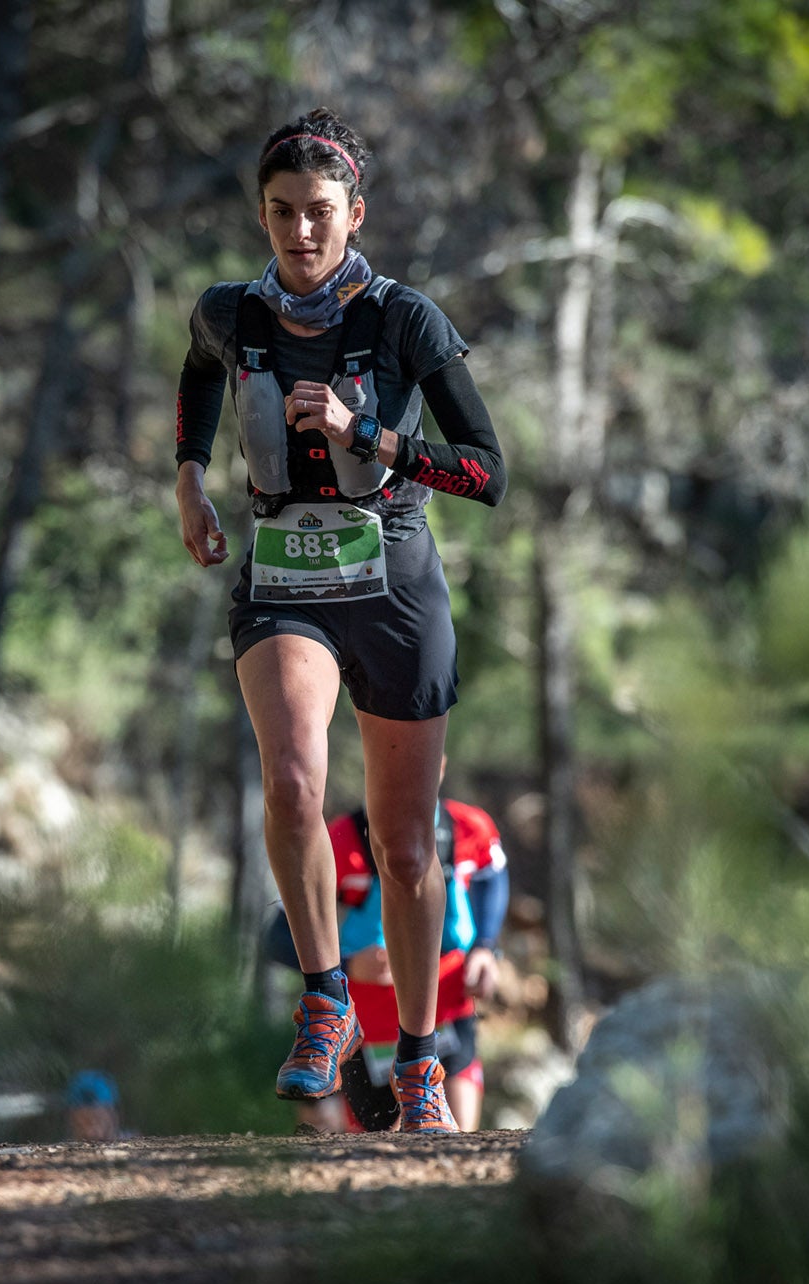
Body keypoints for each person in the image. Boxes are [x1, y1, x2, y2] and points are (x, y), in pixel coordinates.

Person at [175, 109, 506, 1133]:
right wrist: (188, 478)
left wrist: (368, 433)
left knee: (407, 851)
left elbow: (486, 472)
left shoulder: (405, 321)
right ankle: (324, 1000)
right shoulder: (230, 312)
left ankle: (416, 1062)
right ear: (260, 215)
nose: (300, 234)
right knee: (292, 780)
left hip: (394, 582)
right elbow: (196, 371)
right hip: (282, 574)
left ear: (353, 212)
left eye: (318, 213)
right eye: (280, 213)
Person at [263, 784, 510, 1131]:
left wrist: (485, 948)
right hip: (367, 1026)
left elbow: (491, 877)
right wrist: (350, 966)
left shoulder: (470, 827)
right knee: (375, 1150)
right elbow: (277, 937)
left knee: (458, 1142)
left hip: (448, 1007)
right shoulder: (340, 839)